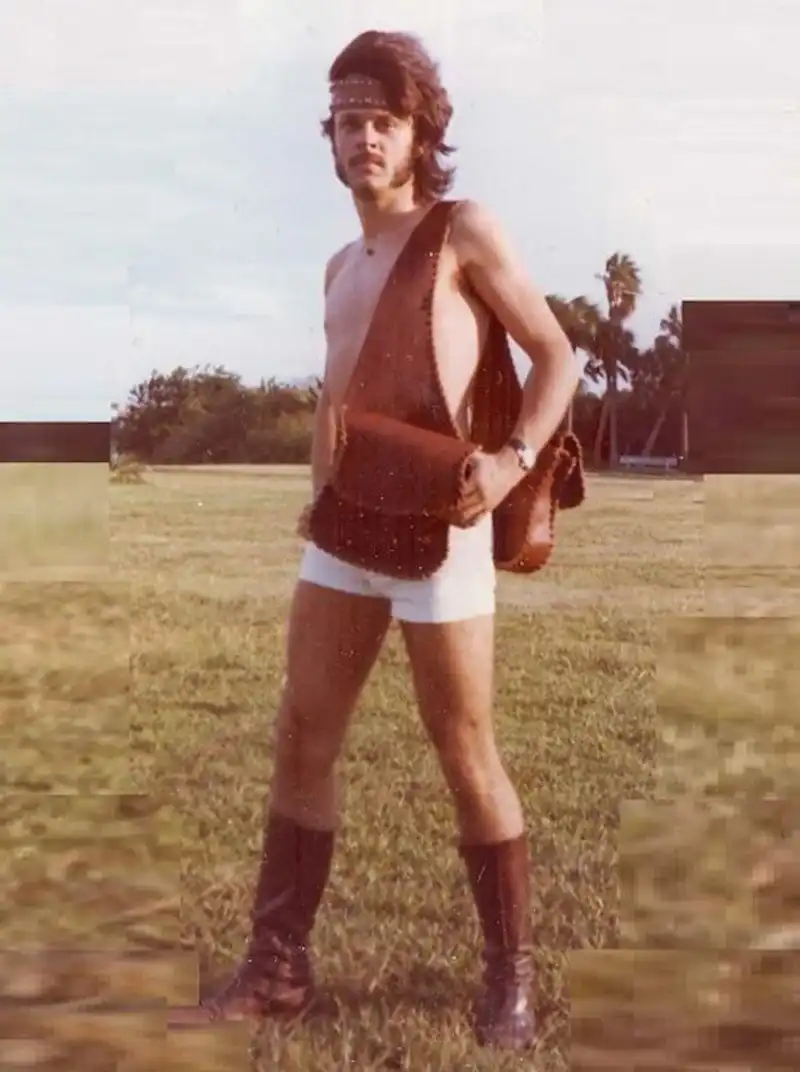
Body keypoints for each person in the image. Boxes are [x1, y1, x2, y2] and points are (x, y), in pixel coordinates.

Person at [168, 29, 579, 1051]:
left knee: (463, 746)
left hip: (444, 522)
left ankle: (509, 978)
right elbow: (334, 400)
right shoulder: (337, 268)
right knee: (303, 733)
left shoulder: (462, 229)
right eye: (348, 122)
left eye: (383, 122)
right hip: (346, 527)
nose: (364, 139)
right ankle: (278, 970)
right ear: (332, 136)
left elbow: (555, 354)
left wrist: (510, 460)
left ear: (418, 135)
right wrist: (317, 498)